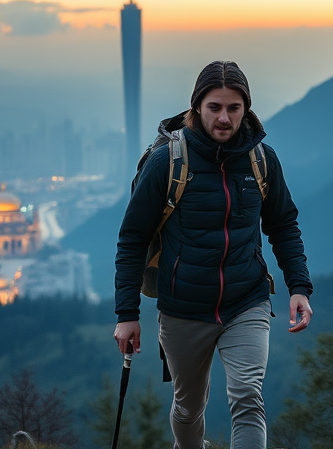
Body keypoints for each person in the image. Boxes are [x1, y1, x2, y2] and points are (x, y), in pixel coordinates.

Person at [113, 60, 313, 449]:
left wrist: (299, 287)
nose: (224, 118)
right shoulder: (167, 162)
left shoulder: (261, 160)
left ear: (246, 109)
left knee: (248, 397)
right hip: (184, 307)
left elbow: (283, 225)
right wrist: (127, 314)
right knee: (188, 408)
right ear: (197, 107)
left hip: (247, 300)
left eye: (234, 108)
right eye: (214, 107)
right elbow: (133, 239)